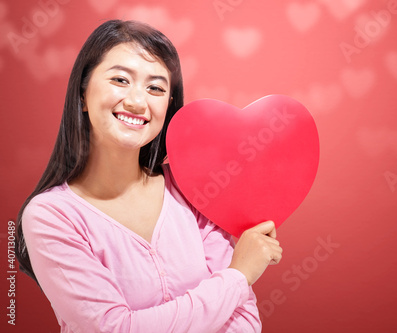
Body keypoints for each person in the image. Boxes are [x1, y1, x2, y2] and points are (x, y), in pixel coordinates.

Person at [15, 20, 283, 333]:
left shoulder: (192, 187)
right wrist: (239, 275)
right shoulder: (51, 216)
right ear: (83, 92)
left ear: (168, 107)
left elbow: (244, 322)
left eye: (155, 88)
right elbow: (115, 329)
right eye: (120, 79)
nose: (137, 101)